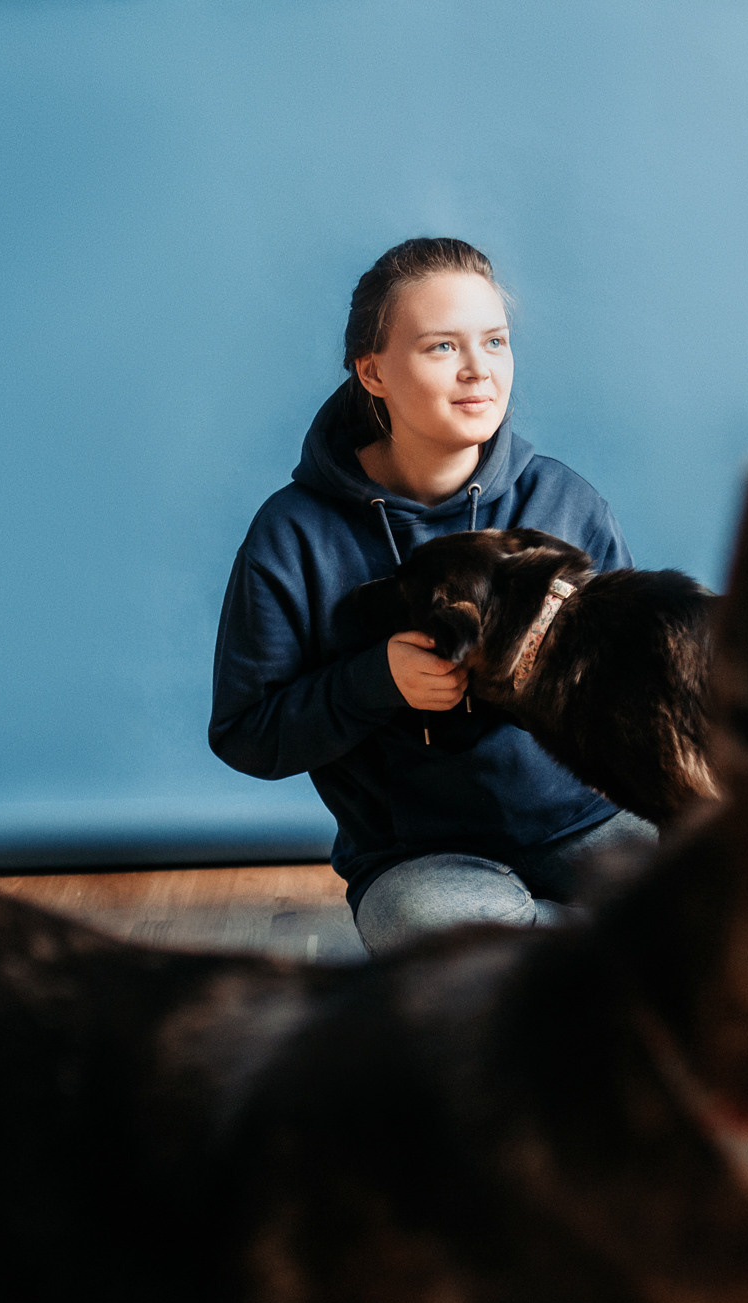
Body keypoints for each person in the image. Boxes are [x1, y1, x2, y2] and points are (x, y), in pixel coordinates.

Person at [210, 238, 653, 954]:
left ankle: (573, 972)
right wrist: (375, 679)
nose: (480, 370)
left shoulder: (565, 501)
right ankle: (601, 968)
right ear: (373, 371)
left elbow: (636, 687)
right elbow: (245, 732)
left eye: (496, 342)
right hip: (419, 861)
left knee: (736, 890)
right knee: (457, 952)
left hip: (590, 820)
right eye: (442, 346)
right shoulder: (293, 533)